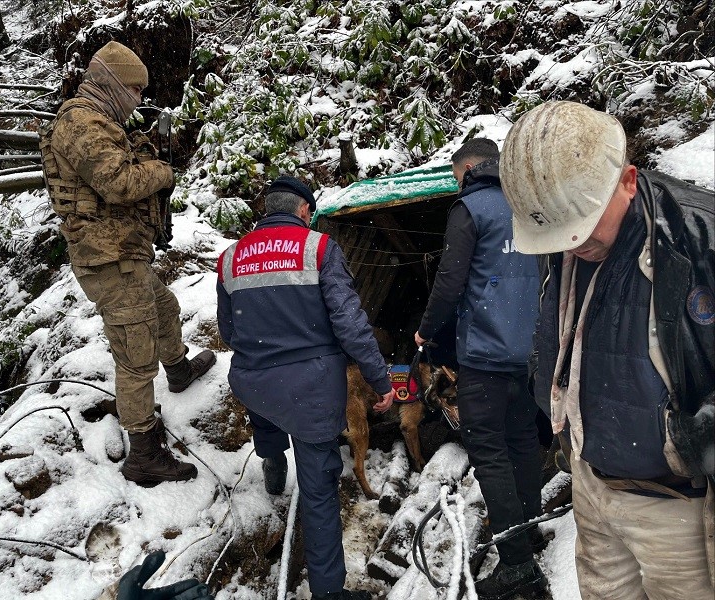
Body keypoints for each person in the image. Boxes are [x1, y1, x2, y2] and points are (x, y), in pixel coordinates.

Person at [500, 100, 715, 599]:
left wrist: (690, 441)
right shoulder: (571, 237)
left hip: (675, 510)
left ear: (628, 180)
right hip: (592, 487)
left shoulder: (697, 240)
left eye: (582, 229)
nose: (572, 246)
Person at [39, 41, 215, 486]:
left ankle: (178, 371)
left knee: (165, 309)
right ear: (114, 85)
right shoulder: (81, 123)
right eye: (134, 92)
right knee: (136, 359)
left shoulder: (95, 120)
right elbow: (117, 183)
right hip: (108, 259)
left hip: (122, 254)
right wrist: (162, 170)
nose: (138, 102)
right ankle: (144, 454)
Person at [216, 176, 395, 600]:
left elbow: (228, 331)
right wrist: (378, 379)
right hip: (312, 387)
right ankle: (329, 592)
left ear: (266, 210)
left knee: (268, 410)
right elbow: (350, 324)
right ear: (303, 211)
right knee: (318, 490)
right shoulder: (318, 248)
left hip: (254, 380)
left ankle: (273, 463)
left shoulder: (229, 258)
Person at [414, 138, 547, 599]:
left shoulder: (470, 208)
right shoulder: (526, 207)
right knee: (523, 444)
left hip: (484, 356)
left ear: (468, 168)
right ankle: (529, 533)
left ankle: (517, 566)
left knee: (489, 453)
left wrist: (427, 330)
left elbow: (450, 281)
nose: (457, 184)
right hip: (524, 356)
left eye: (456, 176)